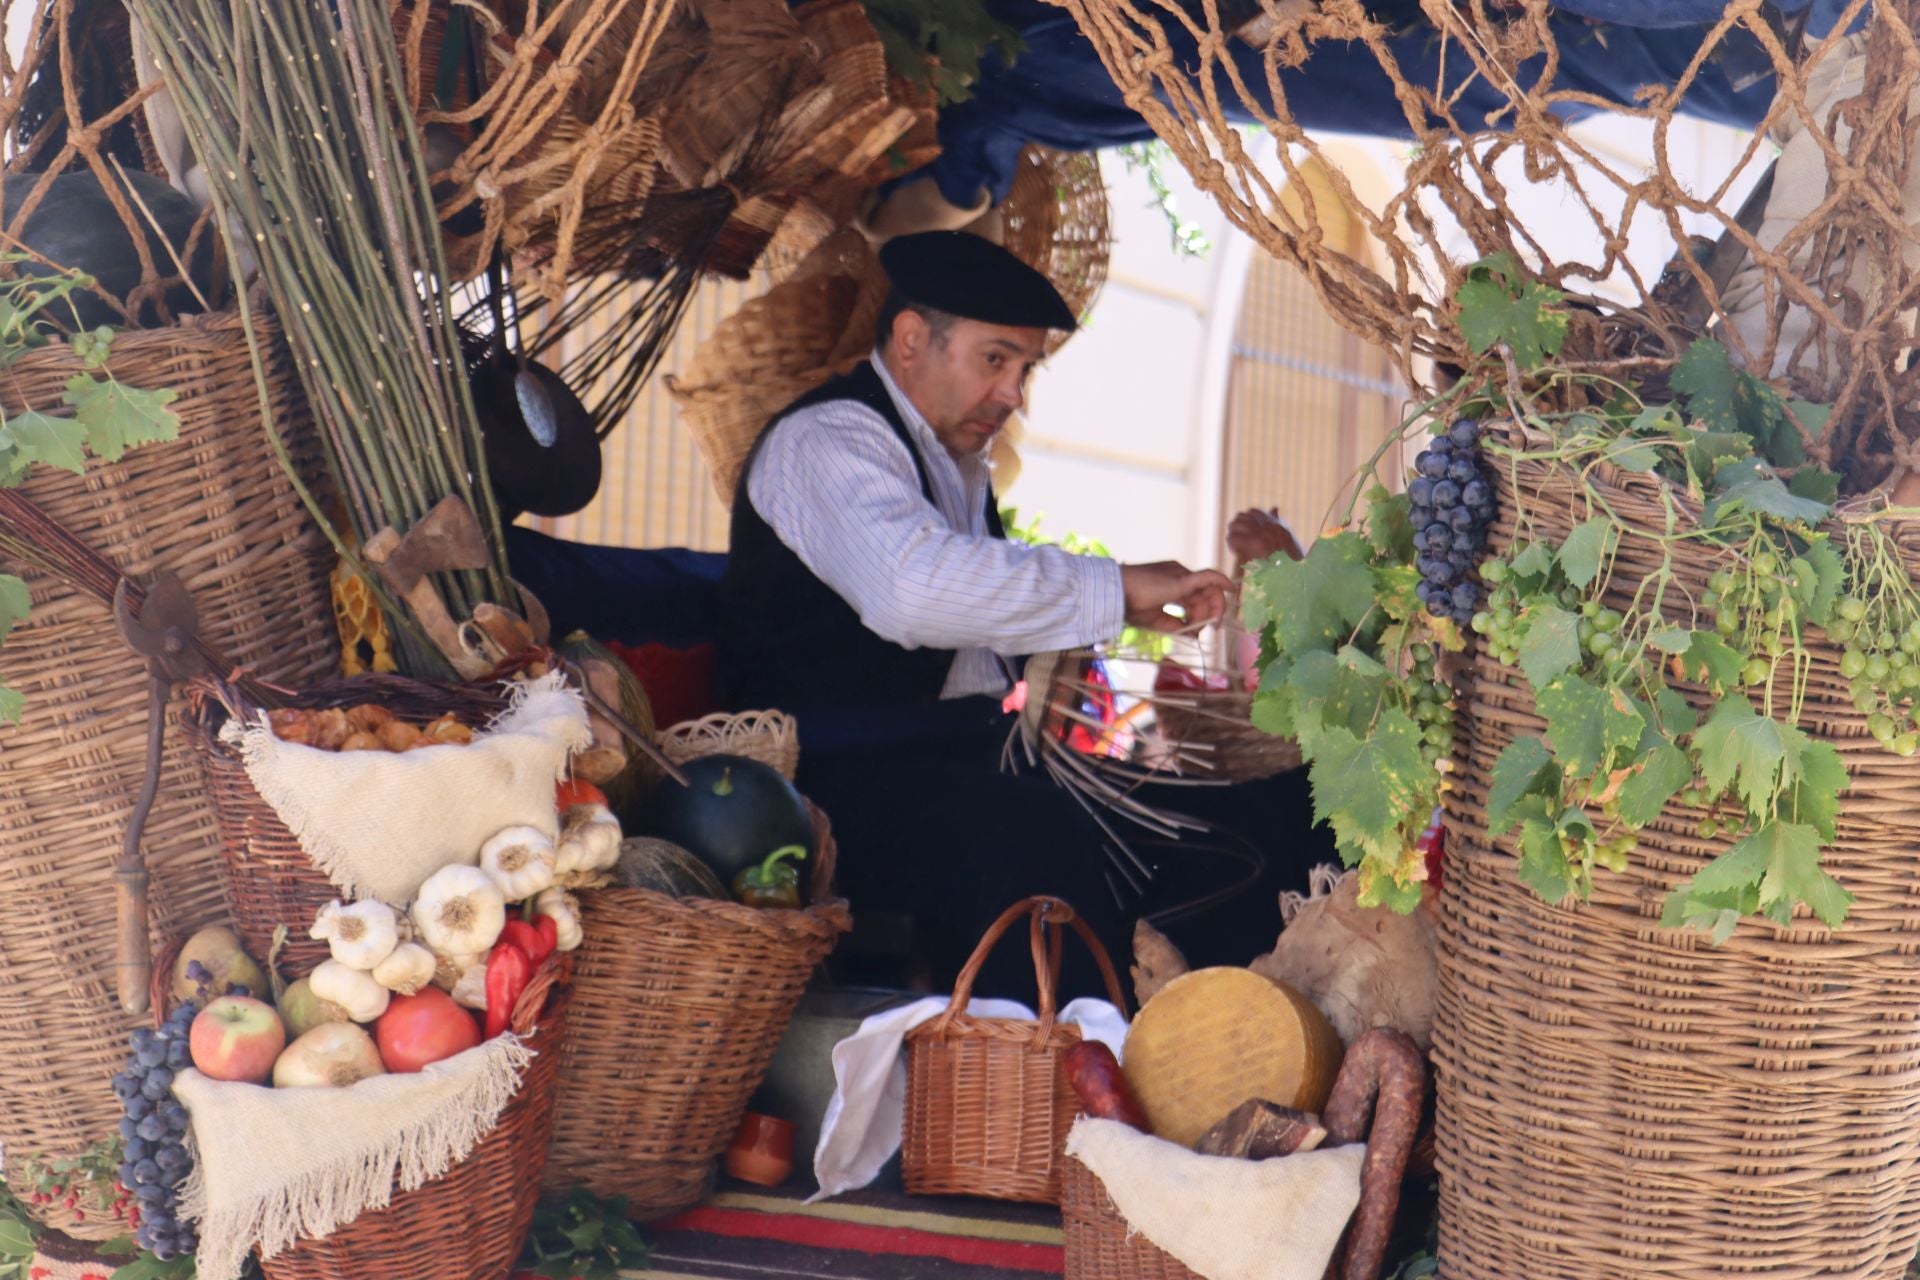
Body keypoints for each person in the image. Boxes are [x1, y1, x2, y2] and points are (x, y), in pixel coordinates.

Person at [718, 230, 1334, 999]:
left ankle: (1244, 1045)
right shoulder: (825, 441)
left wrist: (1117, 618)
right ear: (911, 341)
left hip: (957, 762)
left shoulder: (953, 463)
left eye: (1024, 368)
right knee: (1036, 838)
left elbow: (974, 622)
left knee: (1280, 816)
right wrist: (1116, 589)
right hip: (829, 794)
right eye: (995, 360)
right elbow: (912, 591)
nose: (1013, 394)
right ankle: (1064, 1080)